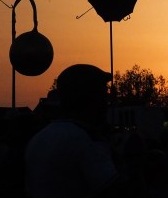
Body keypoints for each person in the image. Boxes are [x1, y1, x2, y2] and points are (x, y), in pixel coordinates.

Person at [25, 64, 128, 198]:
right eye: (103, 94)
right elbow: (115, 191)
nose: (106, 102)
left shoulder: (40, 137)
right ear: (89, 98)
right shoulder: (86, 139)